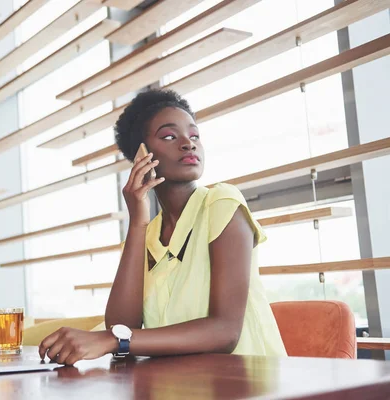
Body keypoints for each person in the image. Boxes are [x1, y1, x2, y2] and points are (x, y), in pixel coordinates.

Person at [39, 89, 287, 365]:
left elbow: (225, 331)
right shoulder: (145, 236)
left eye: (194, 136)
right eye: (170, 136)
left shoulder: (222, 203)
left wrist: (114, 340)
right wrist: (137, 223)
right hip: (179, 386)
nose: (188, 144)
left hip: (247, 385)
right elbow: (121, 324)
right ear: (141, 156)